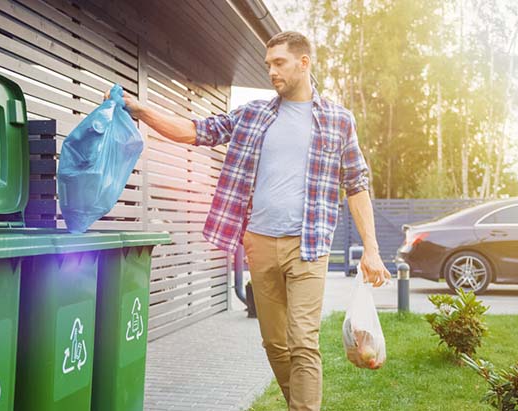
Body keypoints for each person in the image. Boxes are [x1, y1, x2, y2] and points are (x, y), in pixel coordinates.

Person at [105, 30, 391, 411]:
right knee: (275, 343)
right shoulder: (254, 114)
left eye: (279, 63)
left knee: (303, 340)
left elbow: (356, 184)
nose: (271, 71)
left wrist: (371, 249)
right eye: (268, 64)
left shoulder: (339, 121)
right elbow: (196, 131)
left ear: (303, 63)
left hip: (309, 246)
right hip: (259, 243)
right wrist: (142, 111)